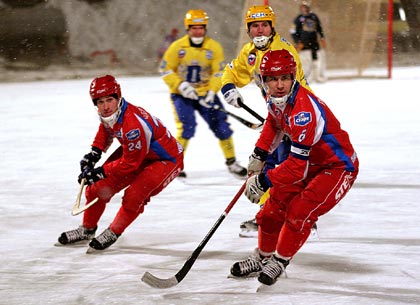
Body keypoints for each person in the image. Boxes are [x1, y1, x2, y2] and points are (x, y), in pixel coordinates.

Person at [230, 49, 359, 286]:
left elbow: (296, 169)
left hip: (337, 167)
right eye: (272, 79)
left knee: (299, 211)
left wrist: (264, 181)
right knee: (270, 212)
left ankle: (279, 261)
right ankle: (262, 257)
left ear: (293, 77)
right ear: (263, 80)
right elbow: (274, 121)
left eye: (285, 78)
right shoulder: (275, 98)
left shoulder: (303, 111)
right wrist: (259, 153)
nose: (279, 85)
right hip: (310, 162)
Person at [56, 75, 184, 252]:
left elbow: (130, 164)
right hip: (138, 152)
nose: (105, 106)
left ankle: (114, 231)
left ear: (118, 97)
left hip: (166, 160)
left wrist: (100, 171)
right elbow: (106, 129)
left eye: (109, 100)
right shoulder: (112, 113)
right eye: (100, 102)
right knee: (96, 188)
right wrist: (94, 152)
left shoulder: (132, 125)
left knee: (134, 196)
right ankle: (87, 229)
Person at [221, 5, 312, 235]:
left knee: (284, 168)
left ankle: (291, 217)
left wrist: (290, 123)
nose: (260, 30)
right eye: (254, 26)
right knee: (271, 164)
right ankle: (271, 214)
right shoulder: (250, 51)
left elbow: (298, 90)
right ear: (249, 29)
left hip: (296, 116)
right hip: (279, 115)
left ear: (272, 27)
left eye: (264, 25)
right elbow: (233, 71)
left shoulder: (284, 51)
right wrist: (228, 87)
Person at [159, 9, 246, 178]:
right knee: (186, 127)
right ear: (187, 28)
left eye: (201, 27)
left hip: (206, 94)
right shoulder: (177, 47)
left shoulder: (213, 47)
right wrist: (181, 86)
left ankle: (232, 161)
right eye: (193, 27)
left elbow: (218, 72)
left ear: (205, 28)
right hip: (183, 95)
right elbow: (165, 69)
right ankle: (174, 163)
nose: (197, 31)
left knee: (221, 126)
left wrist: (212, 92)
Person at [292, 1, 327, 83]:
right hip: (303, 44)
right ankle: (306, 78)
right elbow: (293, 31)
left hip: (314, 42)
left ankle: (317, 77)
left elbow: (319, 28)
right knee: (305, 62)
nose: (304, 9)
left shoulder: (313, 17)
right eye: (302, 8)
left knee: (317, 60)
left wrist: (322, 38)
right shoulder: (298, 19)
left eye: (305, 7)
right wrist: (297, 42)